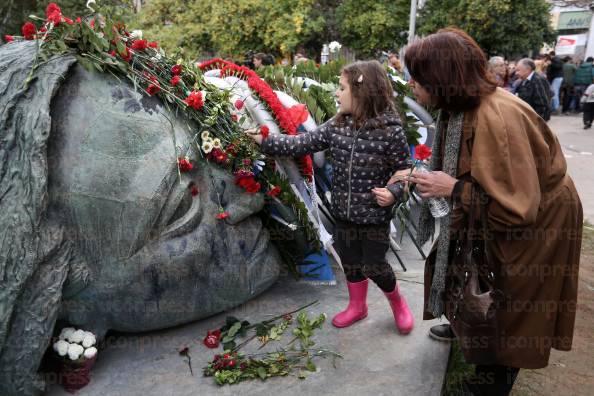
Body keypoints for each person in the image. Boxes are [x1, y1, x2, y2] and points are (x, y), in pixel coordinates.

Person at [397, 28, 582, 396]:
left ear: (441, 79)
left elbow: (514, 211)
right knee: (482, 279)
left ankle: (490, 384)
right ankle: (472, 327)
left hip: (538, 224)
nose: (412, 87)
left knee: (513, 303)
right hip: (522, 209)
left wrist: (453, 189)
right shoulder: (466, 106)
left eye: (417, 79)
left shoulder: (496, 119)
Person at [248, 60, 415, 334]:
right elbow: (302, 144)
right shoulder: (337, 125)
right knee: (350, 262)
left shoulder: (390, 131)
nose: (336, 94)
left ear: (363, 92)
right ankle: (357, 306)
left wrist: (394, 192)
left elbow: (404, 172)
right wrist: (264, 141)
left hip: (373, 217)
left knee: (375, 265)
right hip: (343, 214)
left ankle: (398, 303)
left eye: (341, 88)